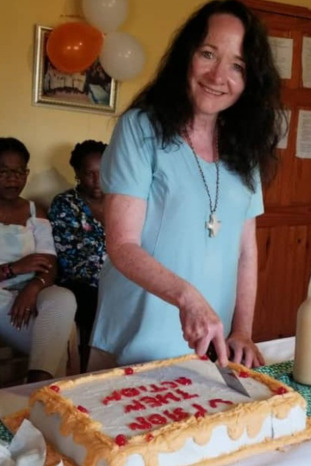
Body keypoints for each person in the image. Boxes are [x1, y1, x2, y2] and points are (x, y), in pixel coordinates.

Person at [89, 0, 283, 371]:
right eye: (208, 54)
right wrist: (188, 298)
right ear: (186, 56)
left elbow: (245, 252)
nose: (218, 75)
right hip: (136, 340)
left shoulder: (245, 146)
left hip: (210, 346)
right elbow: (122, 244)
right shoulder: (140, 128)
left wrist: (242, 329)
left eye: (237, 66)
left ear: (250, 81)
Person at [0, 137, 77, 383]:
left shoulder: (35, 211)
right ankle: (44, 388)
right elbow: (28, 263)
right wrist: (14, 268)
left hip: (34, 288)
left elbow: (49, 261)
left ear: (26, 173)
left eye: (18, 171)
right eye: (3, 171)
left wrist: (34, 286)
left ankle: (36, 383)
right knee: (60, 338)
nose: (12, 178)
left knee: (64, 297)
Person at [48, 140, 107, 372]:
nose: (97, 179)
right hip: (80, 281)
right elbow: (70, 258)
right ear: (77, 174)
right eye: (89, 173)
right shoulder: (65, 204)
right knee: (97, 303)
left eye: (102, 172)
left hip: (119, 278)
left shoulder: (122, 202)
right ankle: (89, 371)